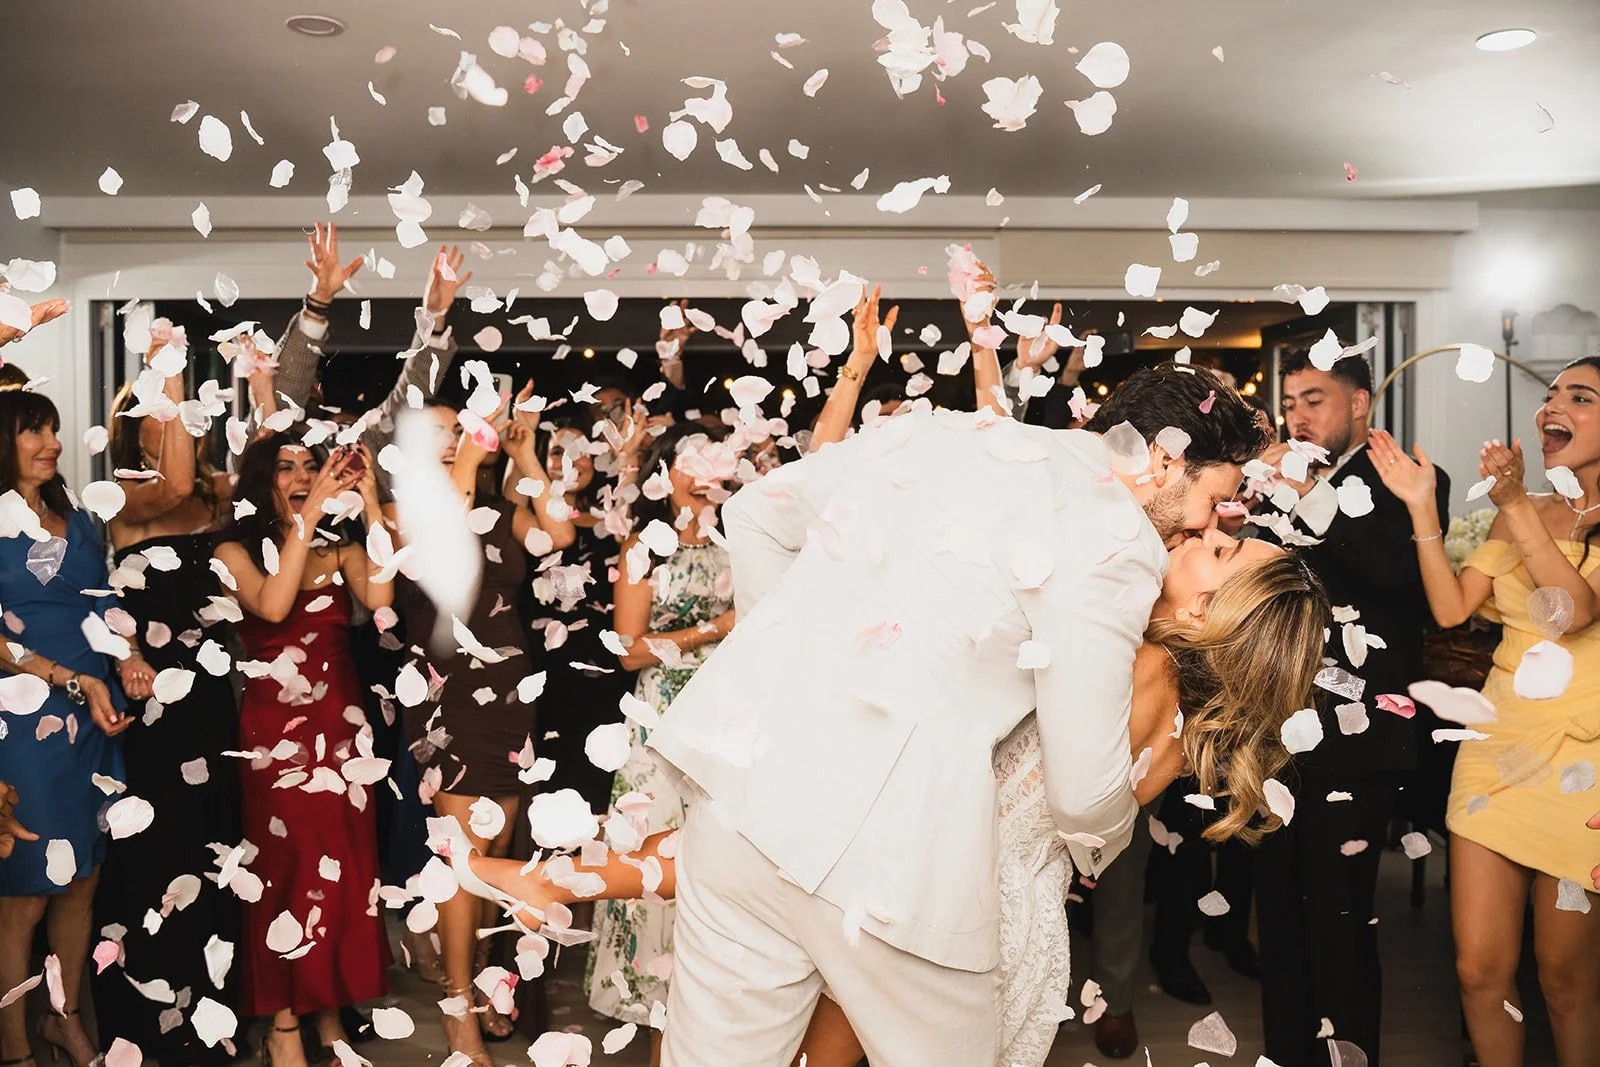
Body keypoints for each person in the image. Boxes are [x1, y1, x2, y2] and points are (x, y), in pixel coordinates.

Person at [465, 525, 1329, 1067]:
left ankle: (564, 879)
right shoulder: (1186, 714)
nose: (1205, 532)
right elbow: (1094, 828)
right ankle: (563, 880)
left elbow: (1061, 786)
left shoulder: (1137, 666)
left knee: (768, 835)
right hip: (998, 901)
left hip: (941, 873)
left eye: (1219, 549)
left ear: (1213, 607)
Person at [630, 355, 1265, 1065]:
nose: (1211, 519)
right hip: (889, 861)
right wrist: (1102, 838)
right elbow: (1085, 797)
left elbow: (754, 516)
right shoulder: (1119, 539)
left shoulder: (937, 433)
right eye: (1215, 498)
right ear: (1165, 457)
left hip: (740, 804)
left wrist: (797, 686)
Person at [1370, 354, 1600, 1067]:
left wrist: (1517, 506)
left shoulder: (1520, 508)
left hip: (1582, 766)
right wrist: (1420, 506)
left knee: (1564, 978)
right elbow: (1448, 608)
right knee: (1478, 969)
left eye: (1581, 395)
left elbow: (1572, 612)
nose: (1553, 405)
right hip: (1495, 749)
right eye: (1552, 392)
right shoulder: (1521, 509)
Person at [1251, 350, 1451, 1067]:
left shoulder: (1409, 480)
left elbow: (1394, 573)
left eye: (1315, 400)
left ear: (1361, 403)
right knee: (1277, 913)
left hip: (1361, 734)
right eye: (1292, 402)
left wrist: (1305, 486)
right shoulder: (1275, 482)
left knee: (1338, 918)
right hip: (1274, 728)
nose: (1298, 415)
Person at [385, 397, 571, 1067]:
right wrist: (471, 448)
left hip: (510, 693)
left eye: (457, 429)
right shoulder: (405, 512)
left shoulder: (504, 508)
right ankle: (458, 1006)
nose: (452, 439)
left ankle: (491, 975)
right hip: (449, 694)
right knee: (463, 858)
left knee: (501, 845)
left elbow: (560, 534)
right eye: (437, 432)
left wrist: (525, 458)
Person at [213, 436, 393, 1067]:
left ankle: (330, 1014)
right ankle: (282, 1024)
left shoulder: (339, 551)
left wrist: (371, 502)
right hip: (274, 735)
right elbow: (273, 603)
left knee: (342, 870)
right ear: (262, 481)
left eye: (310, 466)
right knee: (285, 872)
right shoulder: (232, 550)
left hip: (342, 731)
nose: (301, 475)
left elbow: (381, 601)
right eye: (286, 468)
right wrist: (308, 514)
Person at [91, 335, 244, 1067]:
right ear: (134, 432)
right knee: (162, 851)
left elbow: (224, 482)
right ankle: (157, 1022)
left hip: (210, 695)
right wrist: (170, 367)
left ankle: (216, 1010)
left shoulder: (213, 494)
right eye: (160, 417)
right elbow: (176, 484)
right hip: (151, 697)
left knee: (214, 840)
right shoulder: (127, 498)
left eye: (180, 418)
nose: (176, 427)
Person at [0, 389, 147, 1067]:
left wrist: (133, 656)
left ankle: (63, 1019)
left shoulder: (79, 517)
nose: (52, 442)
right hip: (25, 718)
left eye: (55, 430)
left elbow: (106, 602)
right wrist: (71, 679)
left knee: (82, 880)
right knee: (25, 891)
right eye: (35, 431)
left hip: (95, 716)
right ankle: (16, 1048)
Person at [584, 423, 736, 1058]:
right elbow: (625, 649)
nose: (705, 470)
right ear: (665, 472)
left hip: (730, 716)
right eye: (691, 457)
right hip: (661, 720)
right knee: (655, 852)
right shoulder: (644, 546)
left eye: (716, 456)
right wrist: (714, 630)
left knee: (720, 859)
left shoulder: (742, 544)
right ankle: (655, 1018)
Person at [273, 227, 469, 498]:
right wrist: (317, 303)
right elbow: (284, 396)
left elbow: (411, 396)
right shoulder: (276, 443)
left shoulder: (372, 444)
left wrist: (433, 318)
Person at [514, 410, 638, 816]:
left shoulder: (614, 523)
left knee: (599, 786)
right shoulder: (527, 521)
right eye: (557, 451)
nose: (570, 460)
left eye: (581, 451)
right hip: (546, 673)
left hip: (606, 675)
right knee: (555, 790)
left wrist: (630, 458)